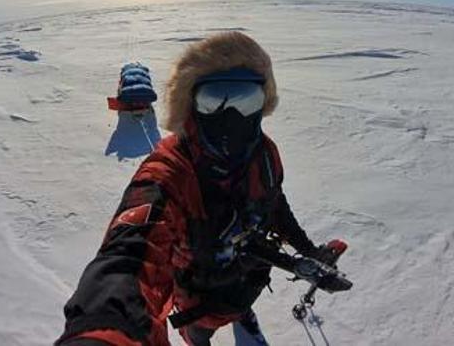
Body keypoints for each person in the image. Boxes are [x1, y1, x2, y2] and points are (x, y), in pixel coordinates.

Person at [56, 31, 330, 346]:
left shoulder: (265, 154)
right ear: (191, 105)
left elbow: (275, 203)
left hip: (247, 282)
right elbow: (128, 255)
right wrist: (104, 331)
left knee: (242, 308)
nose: (231, 115)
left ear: (262, 104)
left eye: (246, 100)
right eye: (213, 100)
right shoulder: (169, 172)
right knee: (199, 337)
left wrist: (309, 251)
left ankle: (244, 317)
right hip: (198, 303)